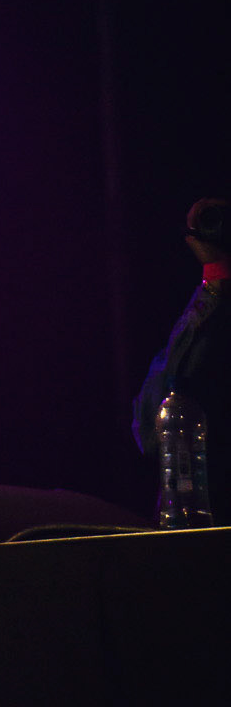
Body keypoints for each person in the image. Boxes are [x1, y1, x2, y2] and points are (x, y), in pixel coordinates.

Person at [133, 197, 231, 520]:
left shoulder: (210, 320)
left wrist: (216, 270)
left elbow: (152, 426)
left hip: (210, 517)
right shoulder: (208, 313)